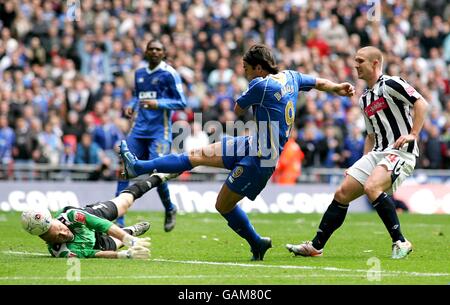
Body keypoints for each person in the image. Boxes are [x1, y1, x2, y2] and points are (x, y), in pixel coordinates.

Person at [119, 44, 354, 261]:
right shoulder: (291, 76)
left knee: (223, 205)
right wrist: (338, 88)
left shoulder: (260, 85)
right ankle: (139, 166)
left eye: (246, 68)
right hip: (251, 143)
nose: (244, 72)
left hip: (261, 158)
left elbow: (238, 108)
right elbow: (319, 83)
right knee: (195, 155)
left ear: (258, 68)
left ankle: (256, 243)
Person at [286, 46, 428, 259]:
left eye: (360, 61)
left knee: (372, 187)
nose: (355, 65)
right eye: (355, 60)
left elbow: (421, 103)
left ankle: (401, 241)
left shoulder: (392, 83)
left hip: (400, 152)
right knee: (342, 194)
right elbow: (370, 136)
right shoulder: (365, 98)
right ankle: (316, 247)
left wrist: (413, 134)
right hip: (377, 153)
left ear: (375, 63)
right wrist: (362, 162)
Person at [115, 39, 187, 230]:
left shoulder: (169, 74)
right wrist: (131, 106)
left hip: (159, 132)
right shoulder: (139, 73)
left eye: (158, 49)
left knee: (158, 171)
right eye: (151, 49)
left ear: (164, 53)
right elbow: (138, 96)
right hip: (139, 129)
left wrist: (159, 104)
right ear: (146, 52)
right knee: (124, 168)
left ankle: (169, 207)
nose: (154, 52)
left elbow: (181, 102)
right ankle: (119, 218)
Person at [23, 173, 177, 259]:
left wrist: (129, 241)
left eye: (60, 228)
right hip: (93, 243)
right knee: (116, 243)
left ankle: (156, 177)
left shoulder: (72, 216)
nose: (64, 233)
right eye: (56, 236)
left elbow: (102, 224)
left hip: (90, 218)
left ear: (55, 220)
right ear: (46, 239)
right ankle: (131, 230)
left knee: (123, 204)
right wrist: (126, 254)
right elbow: (96, 254)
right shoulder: (63, 252)